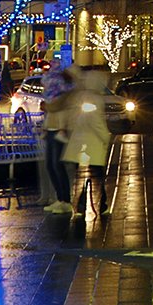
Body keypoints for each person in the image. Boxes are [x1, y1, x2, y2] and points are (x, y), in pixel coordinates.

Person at [59, 67, 114, 222]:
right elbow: (96, 122)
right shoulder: (94, 99)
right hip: (91, 143)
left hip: (78, 142)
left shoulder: (80, 96)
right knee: (96, 175)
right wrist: (105, 137)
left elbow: (72, 117)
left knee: (81, 175)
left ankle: (81, 204)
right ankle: (98, 204)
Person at [39, 63, 75, 214]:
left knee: (56, 165)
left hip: (59, 131)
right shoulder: (52, 97)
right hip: (52, 131)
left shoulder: (61, 97)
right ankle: (60, 199)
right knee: (50, 165)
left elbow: (58, 111)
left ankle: (65, 200)